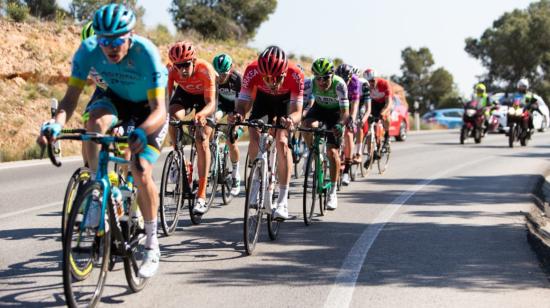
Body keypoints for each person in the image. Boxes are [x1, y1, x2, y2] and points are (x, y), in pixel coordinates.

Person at [37, 4, 168, 278]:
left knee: (140, 168)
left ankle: (152, 243)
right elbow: (70, 100)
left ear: (130, 36)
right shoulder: (87, 50)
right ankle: (98, 191)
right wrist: (55, 123)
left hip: (149, 107)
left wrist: (142, 132)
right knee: (94, 124)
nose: (110, 47)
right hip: (115, 98)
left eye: (117, 40)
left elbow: (159, 111)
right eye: (104, 40)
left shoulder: (146, 54)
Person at [230, 45, 304, 220]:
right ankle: (257, 178)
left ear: (284, 74)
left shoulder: (295, 74)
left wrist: (291, 120)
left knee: (282, 140)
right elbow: (243, 104)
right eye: (266, 78)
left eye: (276, 79)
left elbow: (297, 110)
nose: (271, 83)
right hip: (263, 101)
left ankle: (283, 200)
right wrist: (239, 114)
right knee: (253, 130)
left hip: (285, 103)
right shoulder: (252, 70)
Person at [167, 41, 217, 214]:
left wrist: (202, 115)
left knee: (202, 138)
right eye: (178, 66)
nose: (182, 70)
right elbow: (167, 98)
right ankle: (178, 156)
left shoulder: (205, 69)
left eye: (186, 65)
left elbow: (211, 103)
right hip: (185, 95)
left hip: (205, 99)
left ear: (194, 61)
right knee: (172, 117)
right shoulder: (172, 71)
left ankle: (201, 195)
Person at [302, 58, 349, 210]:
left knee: (332, 151)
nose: (322, 82)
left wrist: (340, 125)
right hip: (319, 109)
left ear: (332, 75)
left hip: (335, 114)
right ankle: (313, 152)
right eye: (319, 78)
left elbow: (345, 112)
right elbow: (302, 106)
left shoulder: (339, 84)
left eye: (325, 78)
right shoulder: (310, 83)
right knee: (306, 125)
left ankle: (333, 192)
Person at [212, 53, 242, 196]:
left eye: (223, 74)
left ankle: (236, 174)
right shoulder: (214, 78)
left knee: (231, 138)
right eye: (218, 74)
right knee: (212, 120)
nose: (221, 77)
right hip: (222, 105)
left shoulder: (237, 79)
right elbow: (213, 100)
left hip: (236, 106)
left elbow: (239, 105)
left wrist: (234, 117)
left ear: (231, 70)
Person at [335, 64, 361, 186]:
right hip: (338, 103)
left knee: (349, 133)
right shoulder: (335, 81)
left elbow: (355, 104)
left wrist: (352, 119)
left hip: (350, 103)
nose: (344, 82)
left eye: (346, 80)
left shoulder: (355, 82)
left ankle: (346, 171)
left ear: (351, 77)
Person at [364, 68, 393, 148]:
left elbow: (389, 103)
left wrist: (384, 112)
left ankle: (387, 136)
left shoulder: (384, 84)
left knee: (385, 116)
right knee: (369, 119)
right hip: (375, 103)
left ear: (377, 78)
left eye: (372, 81)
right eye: (368, 82)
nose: (370, 84)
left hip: (385, 102)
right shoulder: (366, 87)